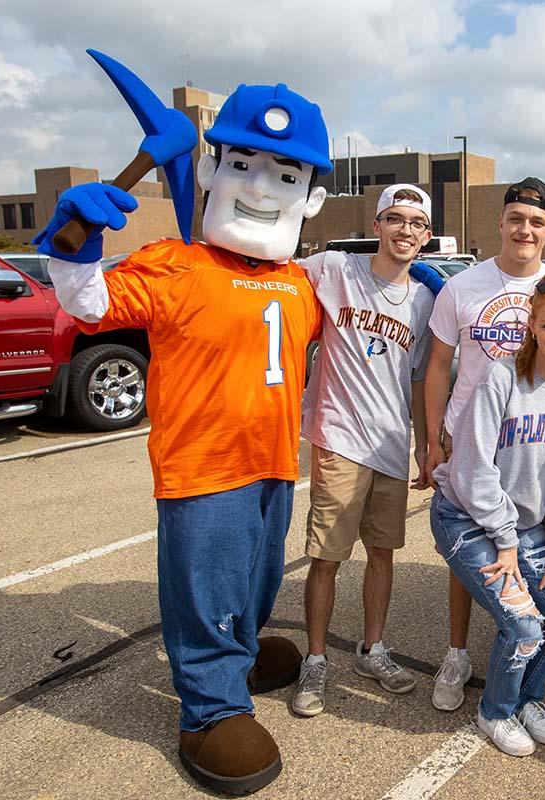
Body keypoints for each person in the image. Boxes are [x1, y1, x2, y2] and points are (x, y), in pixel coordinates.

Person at [36, 82, 333, 794]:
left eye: (286, 175)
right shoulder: (175, 265)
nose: (263, 187)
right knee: (205, 585)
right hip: (202, 469)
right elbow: (91, 305)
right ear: (208, 170)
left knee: (259, 577)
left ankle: (236, 654)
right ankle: (207, 706)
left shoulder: (298, 282)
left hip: (270, 463)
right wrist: (73, 245)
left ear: (310, 198)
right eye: (244, 165)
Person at [430, 271, 545, 756]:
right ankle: (495, 712)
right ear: (531, 324)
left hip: (529, 528)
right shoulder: (500, 377)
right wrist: (504, 538)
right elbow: (471, 467)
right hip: (465, 516)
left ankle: (526, 698)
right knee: (525, 626)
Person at [288, 184, 436, 718]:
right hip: (340, 438)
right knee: (326, 557)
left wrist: (426, 445)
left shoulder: (424, 301)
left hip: (392, 444)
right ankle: (317, 658)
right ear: (377, 224)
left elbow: (420, 381)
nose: (405, 230)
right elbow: (275, 268)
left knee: (382, 553)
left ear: (425, 236)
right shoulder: (335, 269)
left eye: (417, 223)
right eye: (396, 219)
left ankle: (373, 649)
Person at [422, 178, 545, 711]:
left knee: (527, 548)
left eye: (537, 222)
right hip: (467, 440)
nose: (525, 229)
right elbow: (437, 367)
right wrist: (432, 440)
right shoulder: (462, 287)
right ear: (500, 224)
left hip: (531, 445)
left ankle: (527, 648)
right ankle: (457, 653)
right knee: (467, 555)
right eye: (517, 219)